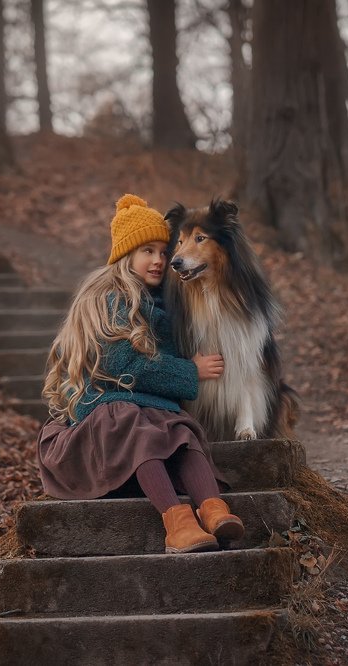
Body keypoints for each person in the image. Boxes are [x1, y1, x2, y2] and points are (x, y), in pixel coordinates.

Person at [38, 194, 245, 553]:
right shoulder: (109, 299)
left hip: (141, 416)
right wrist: (189, 370)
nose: (159, 260)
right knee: (138, 426)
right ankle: (177, 523)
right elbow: (122, 366)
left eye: (164, 252)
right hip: (102, 422)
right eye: (147, 251)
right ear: (126, 255)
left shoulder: (164, 301)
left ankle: (214, 510)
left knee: (180, 431)